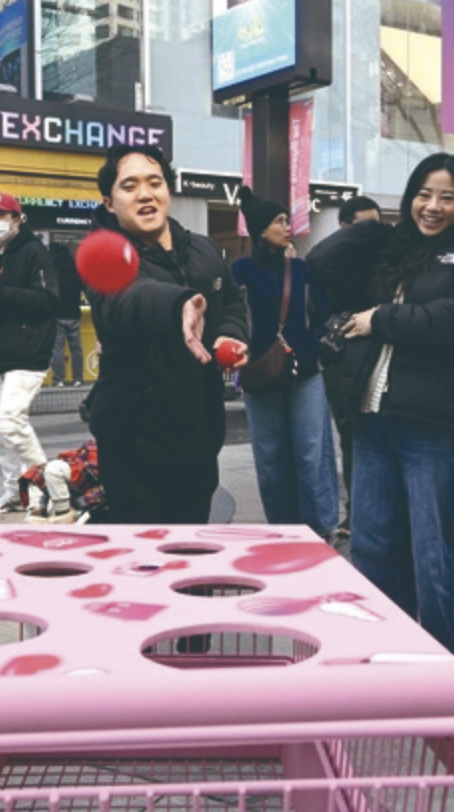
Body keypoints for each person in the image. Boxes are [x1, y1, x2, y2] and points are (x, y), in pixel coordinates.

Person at [307, 153, 454, 657]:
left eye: (447, 197)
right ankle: (385, 664)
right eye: (423, 194)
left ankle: (441, 673)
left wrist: (382, 319)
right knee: (371, 552)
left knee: (435, 560)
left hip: (431, 430)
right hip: (371, 423)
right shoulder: (391, 253)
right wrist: (380, 229)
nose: (433, 206)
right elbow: (322, 262)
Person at [85, 144, 249, 524]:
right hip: (134, 452)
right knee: (144, 556)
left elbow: (232, 302)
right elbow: (129, 296)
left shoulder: (204, 250)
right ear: (109, 202)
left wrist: (229, 334)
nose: (145, 194)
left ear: (168, 191)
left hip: (199, 443)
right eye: (129, 186)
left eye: (154, 182)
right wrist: (178, 305)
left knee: (192, 553)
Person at [231, 186, 338, 538]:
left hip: (305, 374)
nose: (287, 227)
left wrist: (314, 347)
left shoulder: (301, 269)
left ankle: (319, 531)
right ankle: (283, 533)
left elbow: (323, 313)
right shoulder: (240, 271)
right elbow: (232, 317)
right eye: (279, 221)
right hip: (259, 375)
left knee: (311, 454)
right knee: (270, 459)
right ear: (261, 230)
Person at [0, 192, 62, 515]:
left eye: (0, 215)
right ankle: (14, 492)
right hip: (1, 354)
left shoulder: (35, 253)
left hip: (28, 351)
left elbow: (47, 300)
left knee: (10, 422)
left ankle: (47, 486)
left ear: (17, 219)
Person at [323, 195, 383, 546]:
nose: (373, 234)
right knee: (351, 439)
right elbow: (318, 261)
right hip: (343, 361)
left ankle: (371, 511)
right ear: (345, 228)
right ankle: (356, 510)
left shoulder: (385, 262)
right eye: (365, 227)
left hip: (380, 361)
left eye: (378, 226)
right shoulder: (336, 263)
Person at [48, 239, 86, 387]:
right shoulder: (76, 269)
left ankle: (59, 379)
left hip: (57, 314)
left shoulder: (52, 269)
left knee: (57, 348)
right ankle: (78, 378)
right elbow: (85, 288)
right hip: (73, 313)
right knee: (76, 348)